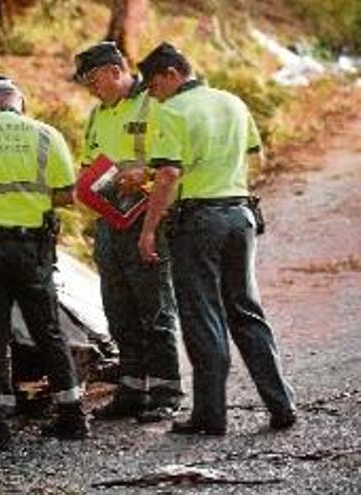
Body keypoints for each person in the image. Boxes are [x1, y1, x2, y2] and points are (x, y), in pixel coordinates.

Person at [137, 42, 298, 435]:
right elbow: (252, 154)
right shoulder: (233, 102)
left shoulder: (172, 111)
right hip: (240, 215)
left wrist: (149, 229)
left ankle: (210, 416)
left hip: (199, 221)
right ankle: (282, 405)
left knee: (202, 315)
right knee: (246, 310)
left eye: (154, 86)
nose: (153, 95)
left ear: (171, 74)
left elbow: (169, 174)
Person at [0, 75, 89, 451]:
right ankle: (72, 417)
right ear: (20, 103)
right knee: (49, 331)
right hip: (31, 249)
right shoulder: (46, 135)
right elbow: (68, 195)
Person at [71, 42, 183, 423]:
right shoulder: (96, 116)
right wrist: (84, 186)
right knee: (118, 309)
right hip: (109, 223)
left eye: (91, 79)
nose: (89, 88)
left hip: (149, 219)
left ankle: (167, 391)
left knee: (155, 307)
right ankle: (133, 390)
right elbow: (89, 164)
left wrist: (147, 177)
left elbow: (176, 166)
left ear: (114, 70)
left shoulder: (154, 103)